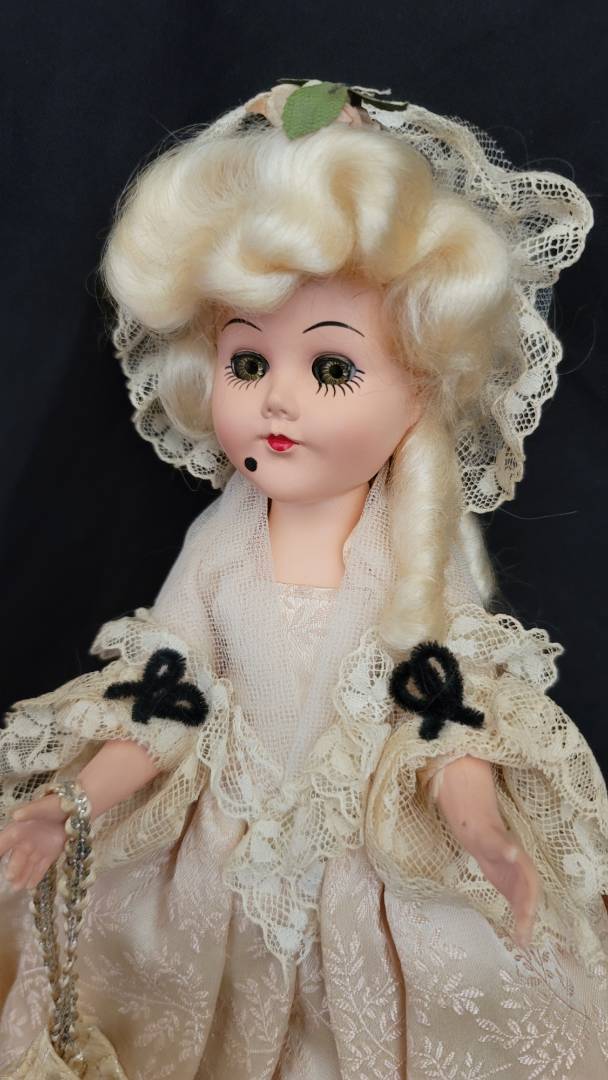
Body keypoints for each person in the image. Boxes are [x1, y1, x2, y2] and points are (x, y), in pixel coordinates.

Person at [1, 79, 607, 1079]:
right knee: (147, 977)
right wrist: (69, 802)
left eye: (330, 369)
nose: (276, 399)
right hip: (222, 859)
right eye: (247, 364)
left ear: (422, 387)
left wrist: (476, 824)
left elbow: (444, 714)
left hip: (365, 854)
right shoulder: (219, 547)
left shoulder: (413, 560)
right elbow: (166, 700)